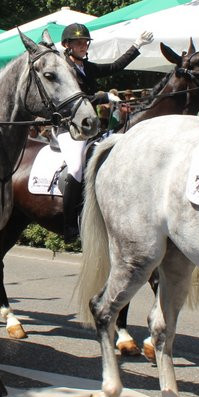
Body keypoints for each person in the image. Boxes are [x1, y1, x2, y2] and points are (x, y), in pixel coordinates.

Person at [57, 22, 153, 238]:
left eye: (85, 42)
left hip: (90, 128)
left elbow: (114, 67)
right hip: (69, 128)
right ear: (67, 45)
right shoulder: (63, 70)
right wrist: (102, 96)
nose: (84, 46)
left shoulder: (87, 67)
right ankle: (69, 223)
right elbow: (73, 100)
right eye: (79, 42)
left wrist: (137, 45)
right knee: (76, 167)